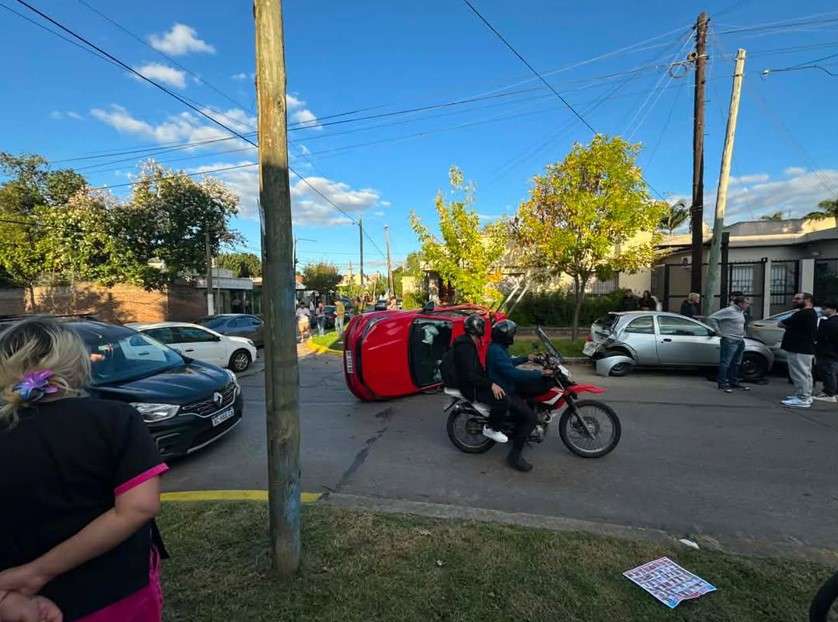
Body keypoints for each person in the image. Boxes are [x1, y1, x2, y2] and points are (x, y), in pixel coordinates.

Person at [0, 318, 168, 622]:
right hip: (118, 590)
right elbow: (139, 507)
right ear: (76, 363)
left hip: (21, 602)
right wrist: (35, 574)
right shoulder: (114, 419)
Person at [486, 320, 554, 472]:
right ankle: (514, 456)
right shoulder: (496, 351)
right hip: (505, 390)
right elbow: (513, 374)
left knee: (530, 398)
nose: (513, 337)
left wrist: (526, 358)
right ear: (506, 336)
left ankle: (519, 430)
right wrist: (540, 373)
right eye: (512, 334)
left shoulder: (499, 348)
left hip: (507, 385)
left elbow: (508, 363)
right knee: (531, 418)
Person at [452, 314, 509, 445]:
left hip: (472, 382)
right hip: (470, 387)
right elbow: (470, 375)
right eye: (482, 326)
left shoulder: (468, 343)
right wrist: (491, 384)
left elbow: (475, 369)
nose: (483, 330)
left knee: (502, 387)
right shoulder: (465, 347)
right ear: (476, 328)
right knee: (503, 399)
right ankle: (492, 428)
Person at [779, 292, 818, 408]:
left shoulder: (803, 314)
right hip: (801, 348)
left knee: (800, 373)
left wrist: (789, 326)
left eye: (798, 299)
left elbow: (781, 323)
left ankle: (803, 398)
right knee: (804, 373)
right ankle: (803, 395)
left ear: (807, 300)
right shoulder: (808, 313)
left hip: (800, 349)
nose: (794, 301)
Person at [708, 294, 752, 393]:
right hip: (729, 340)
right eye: (747, 303)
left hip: (739, 339)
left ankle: (734, 382)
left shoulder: (741, 311)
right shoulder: (729, 310)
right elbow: (712, 318)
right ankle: (722, 383)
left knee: (736, 362)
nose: (748, 305)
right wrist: (718, 331)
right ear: (740, 303)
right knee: (726, 362)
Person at [814, 301, 838, 403]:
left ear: (833, 309)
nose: (822, 310)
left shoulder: (830, 323)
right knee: (832, 373)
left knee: (828, 372)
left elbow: (821, 337)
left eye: (825, 308)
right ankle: (833, 392)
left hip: (828, 351)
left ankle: (829, 393)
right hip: (833, 352)